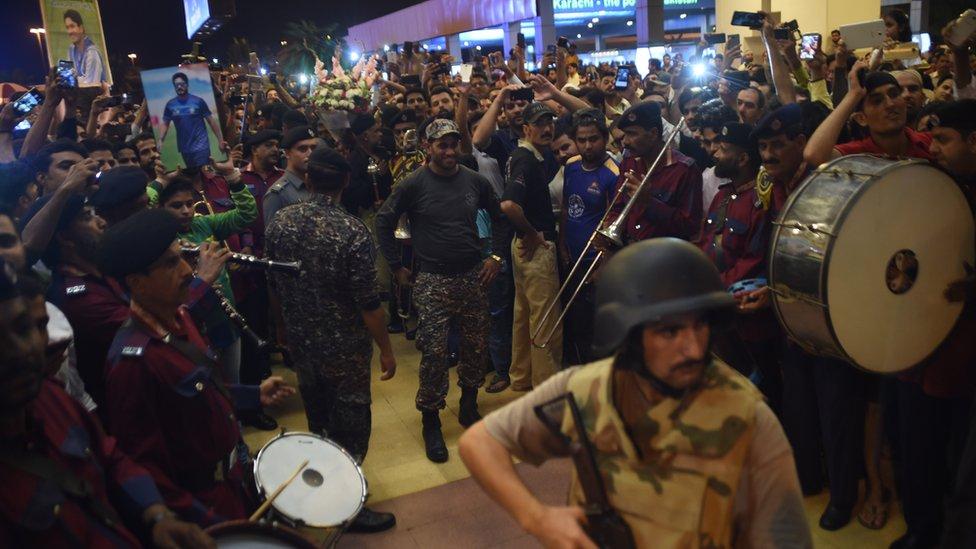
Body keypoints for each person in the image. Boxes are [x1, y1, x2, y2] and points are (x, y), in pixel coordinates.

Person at [459, 238, 812, 548]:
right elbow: (480, 443)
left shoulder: (747, 419)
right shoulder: (583, 391)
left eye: (700, 325)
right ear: (628, 337)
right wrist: (538, 518)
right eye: (669, 332)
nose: (692, 348)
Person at [0, 257, 215, 547]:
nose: (23, 351)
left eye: (25, 328)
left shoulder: (49, 397)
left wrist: (156, 514)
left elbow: (109, 459)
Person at [98, 208, 294, 526]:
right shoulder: (132, 363)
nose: (188, 272)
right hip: (201, 508)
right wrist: (200, 521)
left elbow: (195, 390)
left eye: (182, 258)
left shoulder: (181, 317)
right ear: (137, 282)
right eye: (170, 264)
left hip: (229, 485)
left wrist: (251, 394)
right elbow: (142, 466)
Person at [265, 145, 397, 533]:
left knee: (318, 420)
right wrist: (386, 351)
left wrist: (282, 330)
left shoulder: (281, 223)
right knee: (352, 426)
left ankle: (318, 492)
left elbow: (273, 284)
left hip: (303, 342)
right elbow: (369, 304)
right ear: (345, 181)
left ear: (308, 179)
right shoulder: (351, 230)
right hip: (345, 350)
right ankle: (348, 506)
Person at [376, 119, 508, 463]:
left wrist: (495, 256)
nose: (448, 151)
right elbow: (383, 221)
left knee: (475, 346)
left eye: (453, 144)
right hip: (433, 280)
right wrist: (396, 266)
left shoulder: (474, 181)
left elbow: (500, 216)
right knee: (434, 354)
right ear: (428, 146)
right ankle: (431, 420)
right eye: (441, 145)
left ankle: (468, 405)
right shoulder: (413, 184)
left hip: (472, 276)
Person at [501, 102, 563, 392]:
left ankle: (522, 377)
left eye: (549, 122)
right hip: (535, 248)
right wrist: (533, 234)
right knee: (545, 320)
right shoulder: (525, 158)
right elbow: (510, 205)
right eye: (539, 123)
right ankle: (546, 386)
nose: (547, 128)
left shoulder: (524, 156)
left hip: (522, 246)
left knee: (523, 316)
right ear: (526, 128)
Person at [558, 108, 618, 365]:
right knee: (574, 321)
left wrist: (604, 263)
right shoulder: (571, 166)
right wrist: (561, 243)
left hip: (595, 262)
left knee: (595, 325)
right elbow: (565, 206)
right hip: (571, 256)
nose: (587, 145)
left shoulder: (613, 173)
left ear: (604, 138)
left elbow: (614, 224)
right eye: (581, 140)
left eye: (593, 139)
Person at [598, 102, 703, 247]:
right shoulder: (629, 162)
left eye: (632, 134)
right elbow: (618, 205)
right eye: (625, 134)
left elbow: (690, 226)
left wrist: (649, 203)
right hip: (629, 250)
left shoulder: (684, 169)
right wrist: (609, 227)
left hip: (665, 258)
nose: (625, 142)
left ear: (653, 133)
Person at [805, 68, 933, 165]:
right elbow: (814, 155)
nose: (890, 104)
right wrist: (853, 95)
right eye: (877, 101)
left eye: (894, 94)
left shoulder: (930, 143)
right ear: (861, 118)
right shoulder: (857, 155)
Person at [159, 72, 223, 169]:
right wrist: (160, 140)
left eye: (182, 84)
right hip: (185, 148)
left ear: (187, 85)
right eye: (177, 85)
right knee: (194, 177)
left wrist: (220, 140)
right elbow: (165, 123)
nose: (179, 87)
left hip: (202, 147)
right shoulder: (170, 104)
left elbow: (211, 121)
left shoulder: (198, 101)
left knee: (206, 174)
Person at [262, 126, 318, 227]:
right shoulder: (278, 194)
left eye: (313, 148)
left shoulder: (317, 184)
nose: (310, 154)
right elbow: (273, 237)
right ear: (287, 153)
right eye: (302, 149)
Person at [63, 9, 106, 87]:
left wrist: (74, 80)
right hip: (77, 97)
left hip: (95, 98)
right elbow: (66, 81)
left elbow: (90, 86)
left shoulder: (92, 52)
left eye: (72, 26)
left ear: (81, 28)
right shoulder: (71, 49)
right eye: (67, 27)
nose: (69, 31)